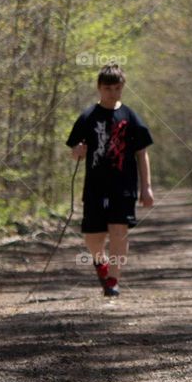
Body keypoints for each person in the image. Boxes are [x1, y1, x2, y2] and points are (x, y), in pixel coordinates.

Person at [66, 64, 154, 298]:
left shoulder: (130, 116)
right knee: (92, 238)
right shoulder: (87, 117)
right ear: (99, 88)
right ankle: (101, 263)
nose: (113, 93)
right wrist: (79, 150)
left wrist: (146, 188)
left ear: (122, 88)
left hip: (124, 186)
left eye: (117, 88)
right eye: (108, 88)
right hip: (95, 186)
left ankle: (113, 279)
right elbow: (73, 150)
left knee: (119, 231)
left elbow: (142, 153)